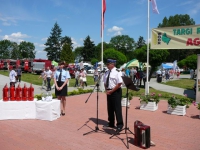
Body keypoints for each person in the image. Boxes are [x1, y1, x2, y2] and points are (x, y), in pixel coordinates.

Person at [103, 59, 124, 132]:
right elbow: (105, 82)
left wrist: (112, 91)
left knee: (117, 108)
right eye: (107, 64)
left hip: (116, 91)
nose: (107, 65)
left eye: (108, 64)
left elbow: (119, 83)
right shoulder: (106, 72)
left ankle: (120, 125)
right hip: (109, 91)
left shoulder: (118, 72)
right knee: (110, 108)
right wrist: (107, 90)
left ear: (113, 64)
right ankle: (111, 123)